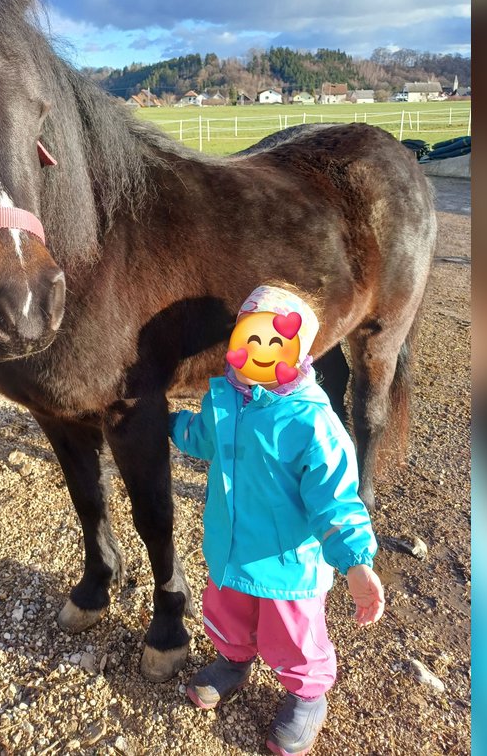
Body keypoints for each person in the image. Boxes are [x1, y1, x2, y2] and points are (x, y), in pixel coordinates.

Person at [170, 284, 385, 756]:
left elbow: (336, 500)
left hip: (288, 564)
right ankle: (232, 661)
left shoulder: (312, 422)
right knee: (227, 613)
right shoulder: (224, 396)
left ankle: (308, 695)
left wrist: (355, 561)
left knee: (292, 633)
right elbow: (201, 438)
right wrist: (165, 424)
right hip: (229, 550)